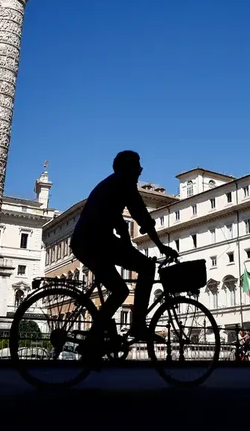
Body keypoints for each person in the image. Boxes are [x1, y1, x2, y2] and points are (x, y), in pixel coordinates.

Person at [70, 150, 178, 358]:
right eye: (137, 166)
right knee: (147, 267)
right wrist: (161, 247)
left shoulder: (111, 184)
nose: (140, 170)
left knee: (119, 291)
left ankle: (94, 341)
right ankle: (137, 326)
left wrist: (128, 241)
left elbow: (119, 223)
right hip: (96, 241)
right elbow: (141, 216)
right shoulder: (124, 184)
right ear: (128, 168)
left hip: (88, 241)